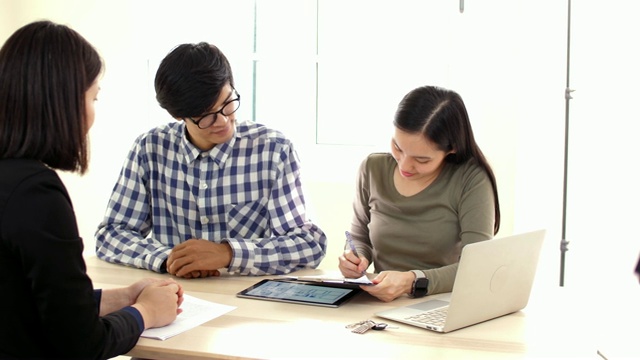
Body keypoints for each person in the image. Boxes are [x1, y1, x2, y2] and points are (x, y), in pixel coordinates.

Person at [0, 20, 184, 358]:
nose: (92, 114)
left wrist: (126, 296)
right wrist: (146, 313)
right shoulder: (36, 194)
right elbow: (82, 343)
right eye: (93, 97)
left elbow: (32, 302)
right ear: (63, 102)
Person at [95, 42, 327, 279]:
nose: (223, 121)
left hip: (247, 299)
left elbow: (309, 244)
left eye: (228, 104)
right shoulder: (150, 149)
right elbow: (111, 235)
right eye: (206, 115)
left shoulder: (273, 150)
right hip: (174, 297)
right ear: (178, 115)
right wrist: (170, 259)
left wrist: (227, 253)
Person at [339, 85, 501, 302]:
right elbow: (359, 236)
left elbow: (478, 266)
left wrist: (413, 281)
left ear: (451, 149)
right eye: (397, 147)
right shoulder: (372, 168)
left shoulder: (470, 179)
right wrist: (356, 258)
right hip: (378, 305)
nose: (405, 165)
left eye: (422, 159)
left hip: (443, 305)